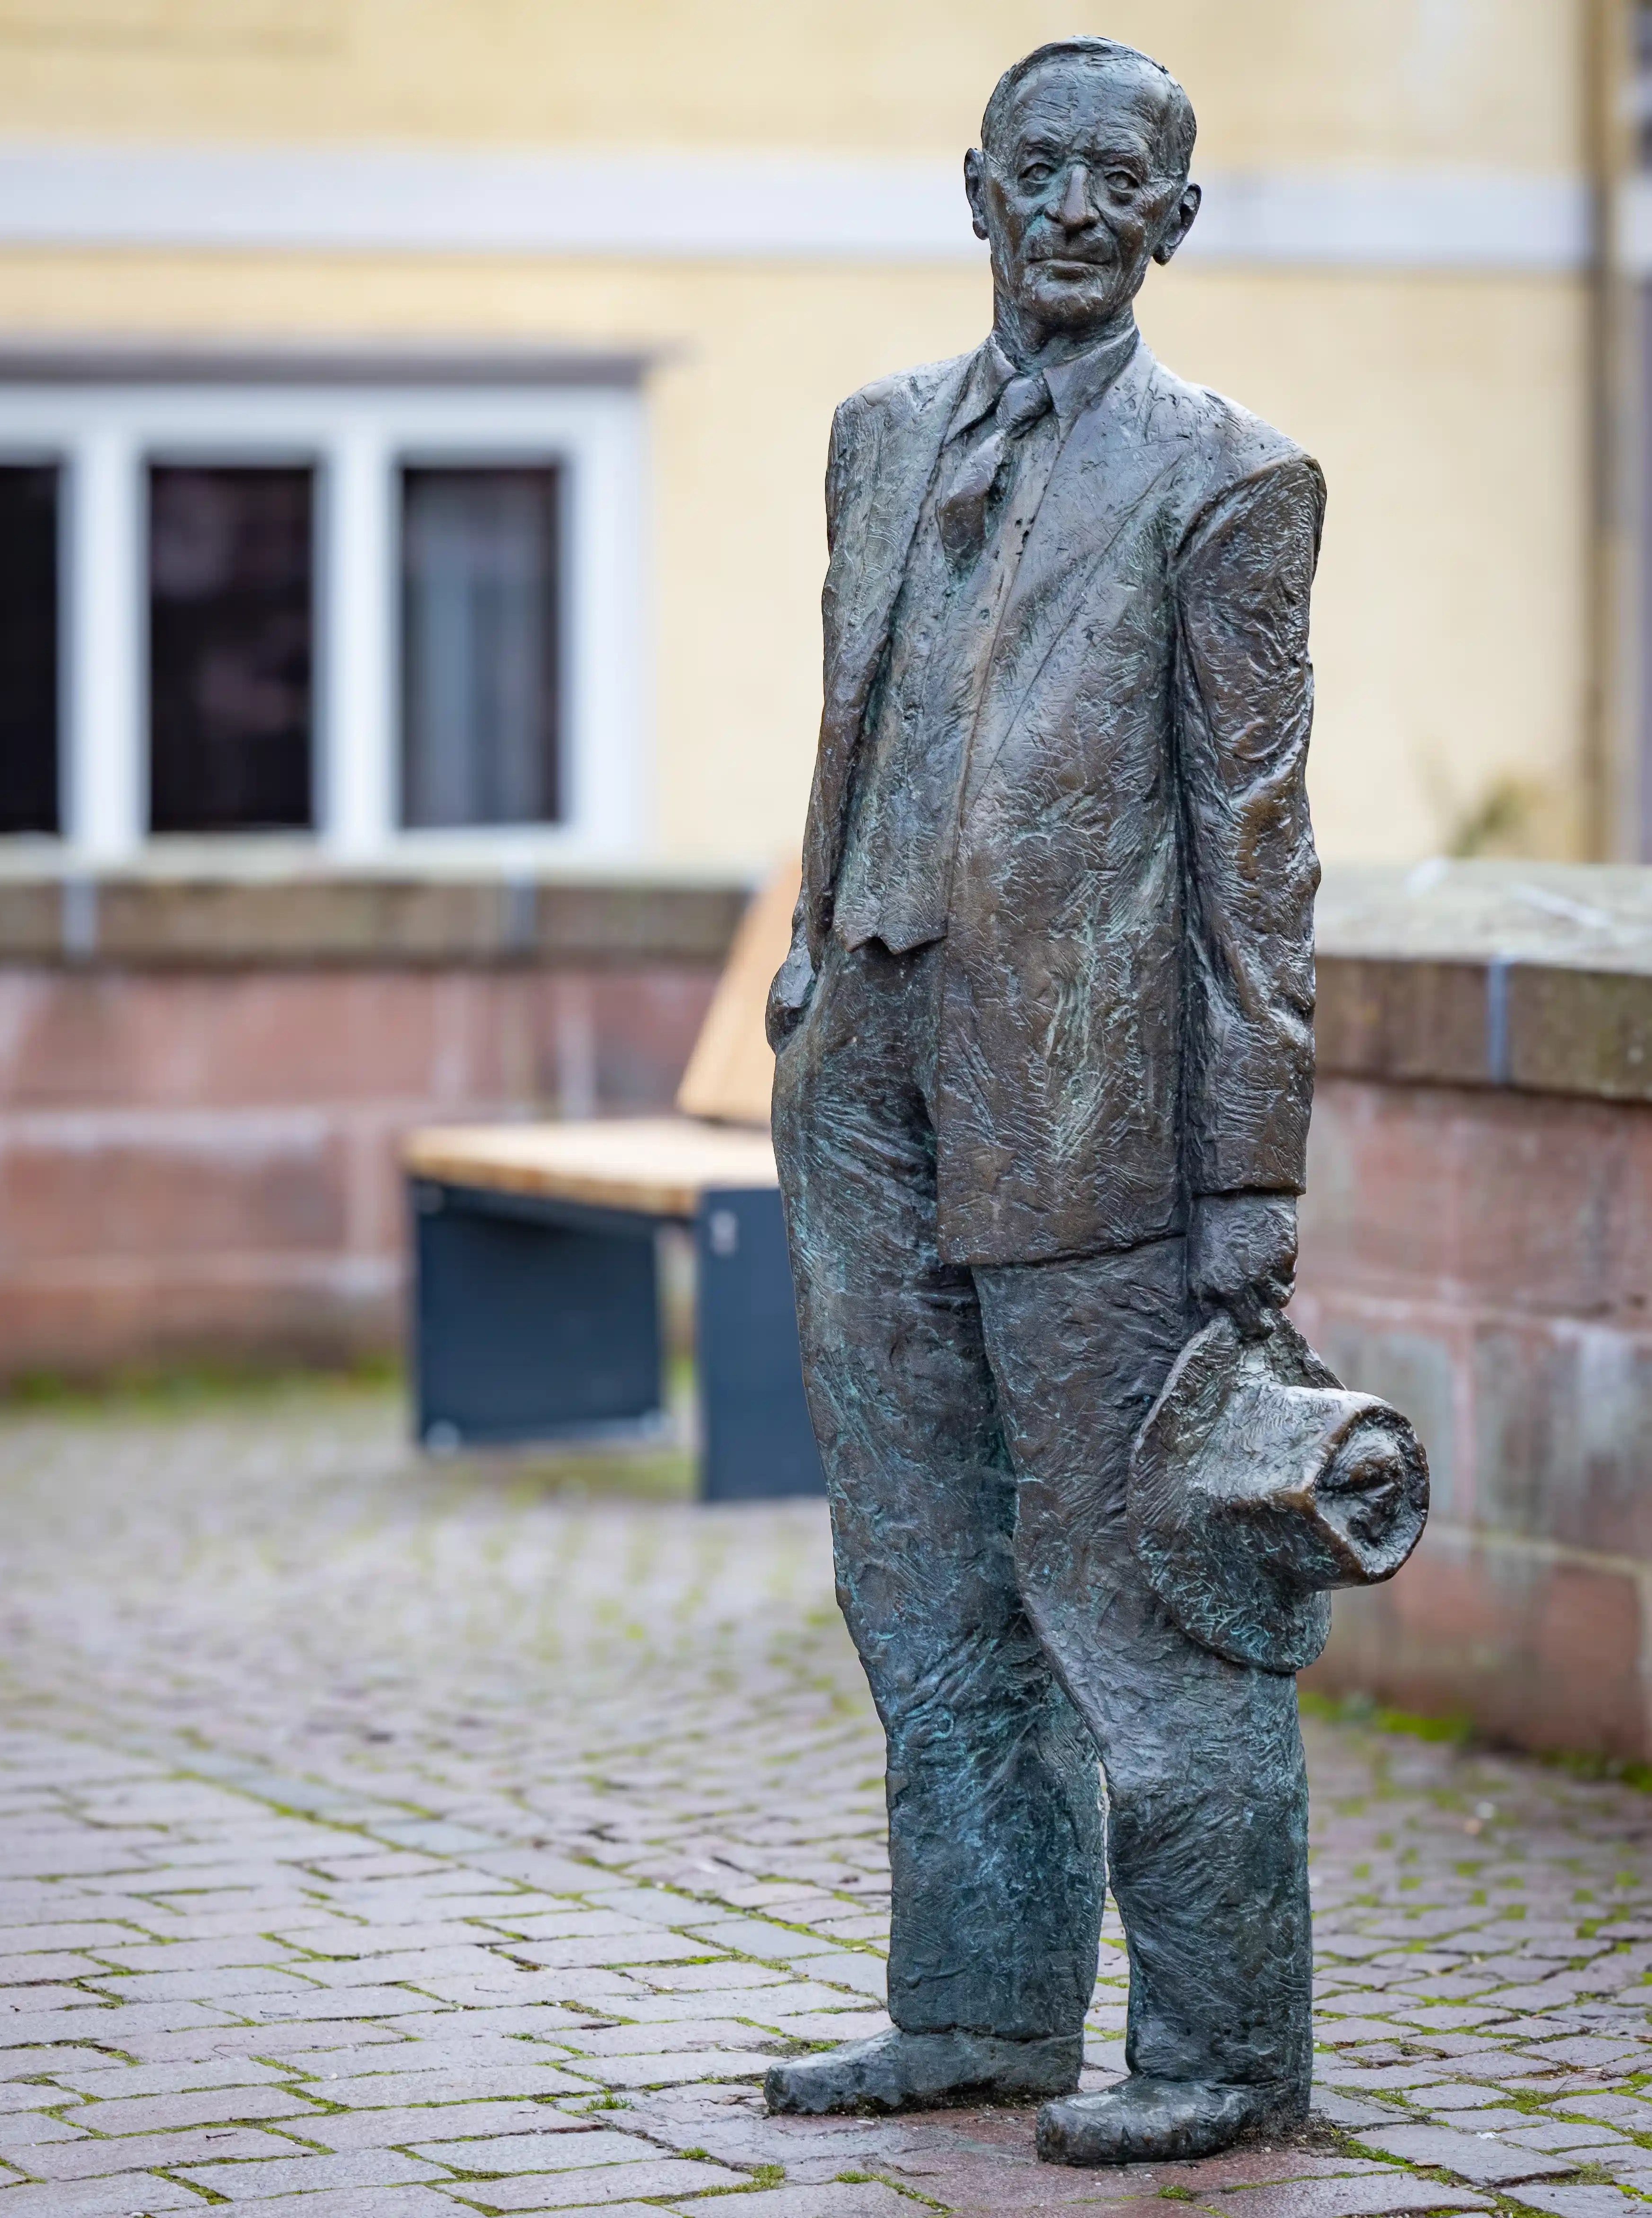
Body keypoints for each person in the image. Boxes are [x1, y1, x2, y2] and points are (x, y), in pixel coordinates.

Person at [764, 35, 1323, 2166]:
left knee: (1138, 1586)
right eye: (1042, 169)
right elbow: (855, 715)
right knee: (918, 1574)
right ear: (974, 188)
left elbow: (1253, 845)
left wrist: (1244, 1169)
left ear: (1175, 221)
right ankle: (977, 2008)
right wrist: (815, 975)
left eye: (1125, 179)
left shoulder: (1229, 479)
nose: (1078, 207)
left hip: (1088, 1107)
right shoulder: (875, 438)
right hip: (868, 1073)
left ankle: (1221, 2045)